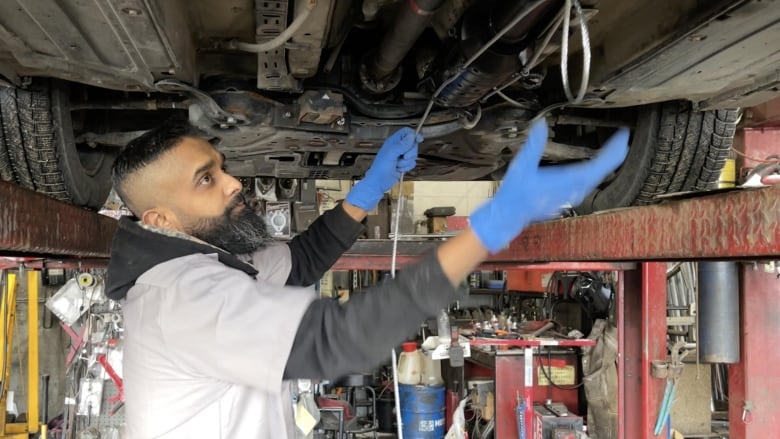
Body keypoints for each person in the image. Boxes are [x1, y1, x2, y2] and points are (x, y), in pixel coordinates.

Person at [106, 118, 628, 438]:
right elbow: (345, 340)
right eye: (206, 180)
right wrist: (491, 227)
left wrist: (369, 189)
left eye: (220, 167)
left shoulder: (198, 264)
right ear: (161, 220)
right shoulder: (185, 298)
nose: (233, 182)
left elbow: (301, 261)